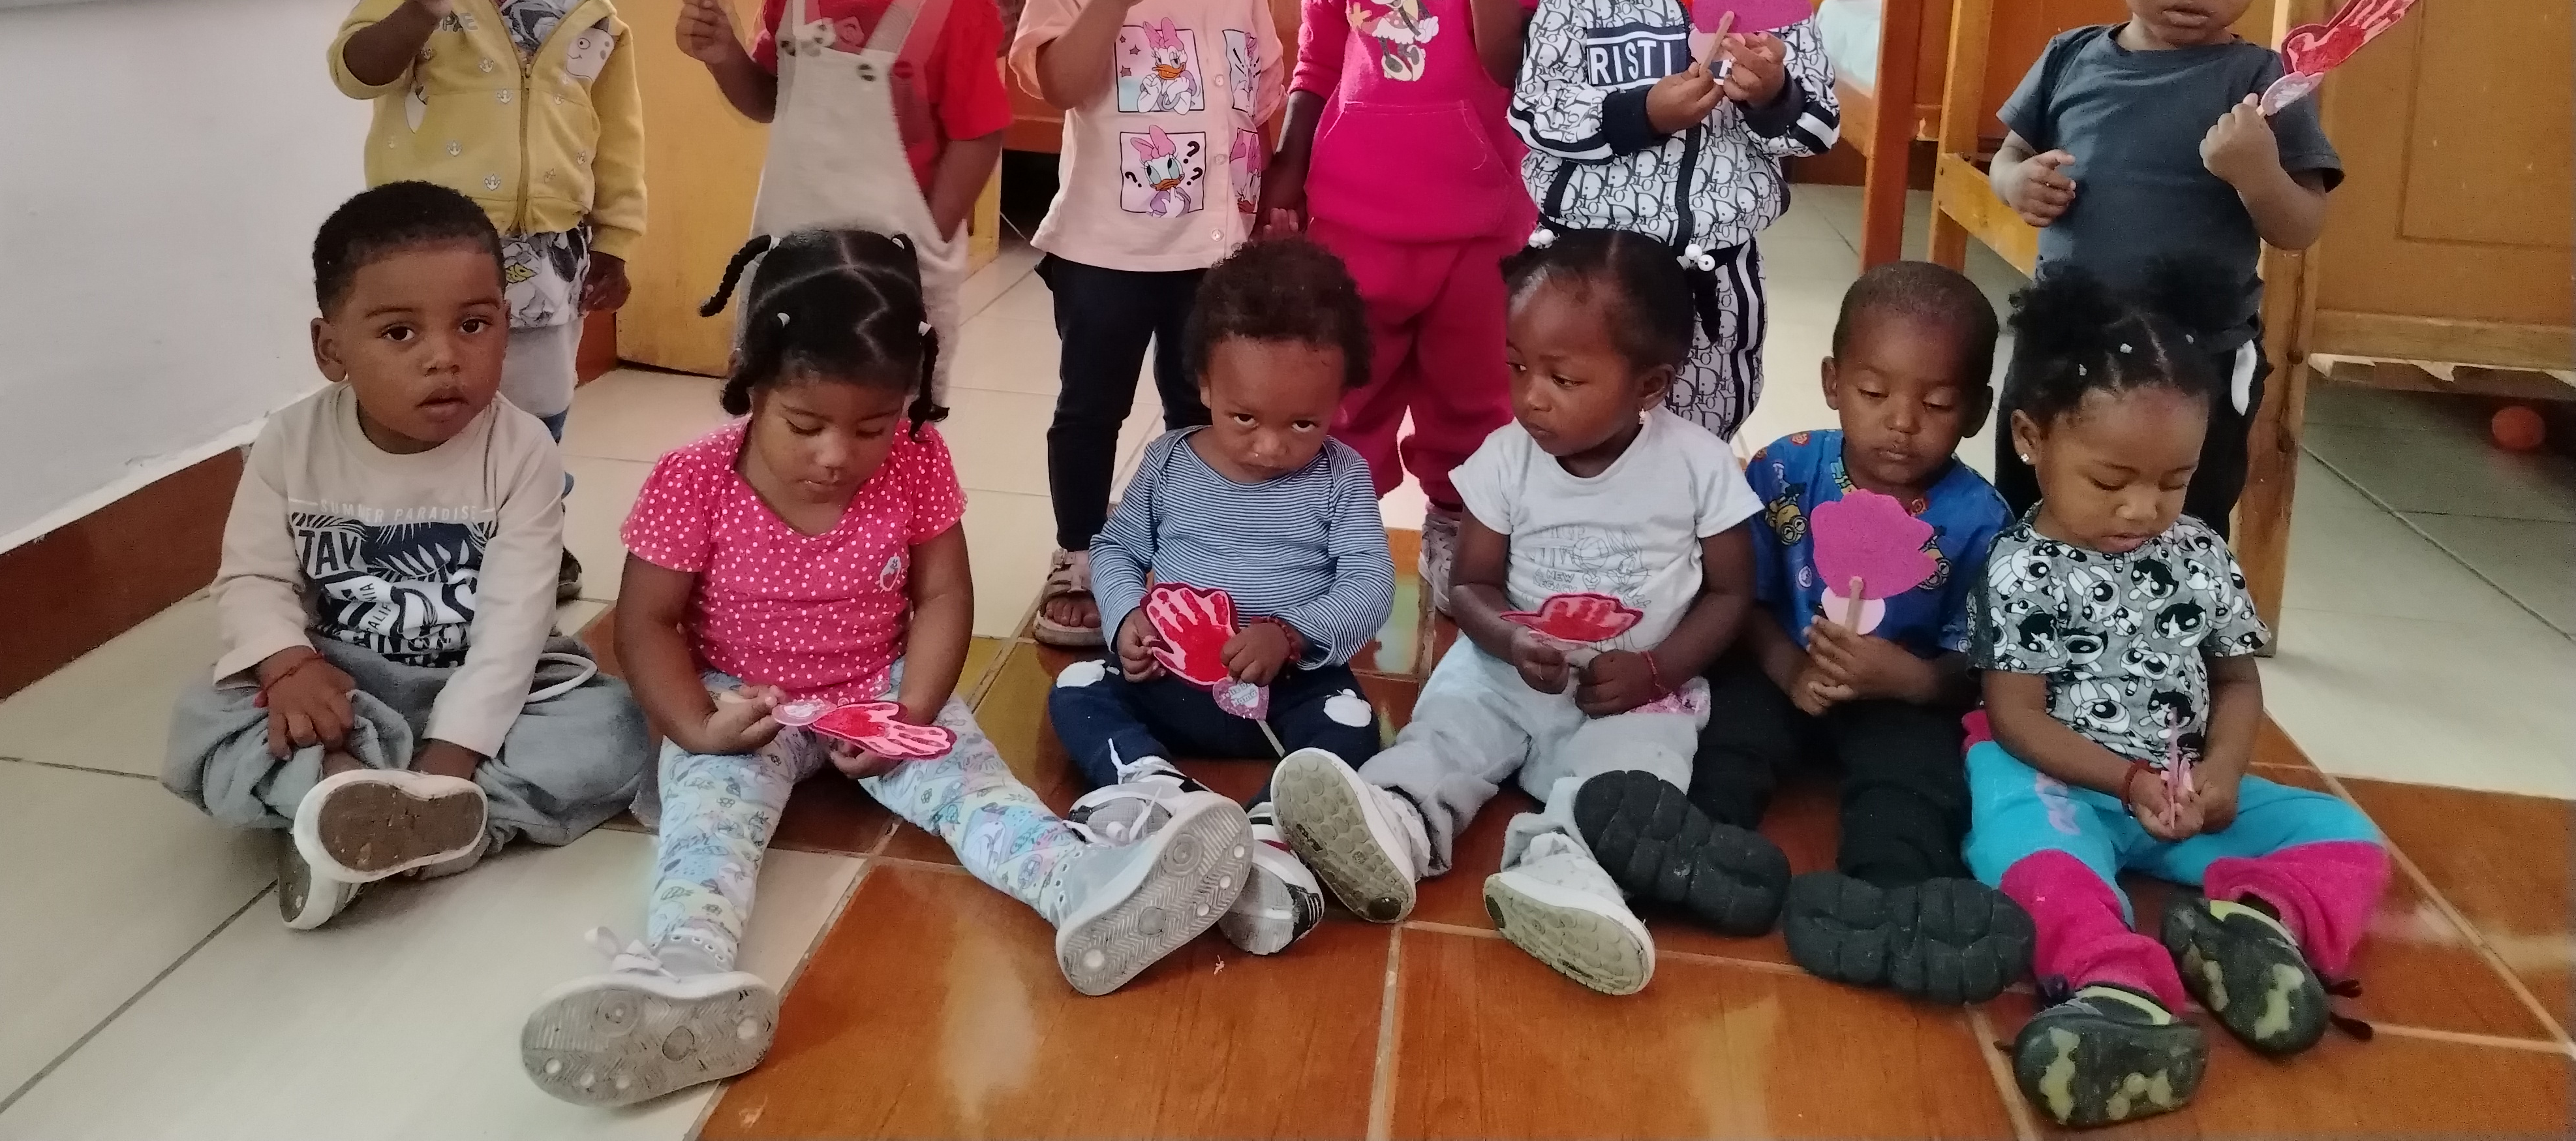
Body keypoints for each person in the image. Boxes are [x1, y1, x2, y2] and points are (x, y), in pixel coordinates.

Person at [520, 230, 1252, 1109]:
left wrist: (914, 709)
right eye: (804, 425)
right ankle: (684, 970)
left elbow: (943, 595)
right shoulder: (695, 479)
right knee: (708, 824)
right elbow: (647, 621)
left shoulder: (915, 460)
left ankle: (1084, 886)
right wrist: (697, 726)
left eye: (871, 426)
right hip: (739, 700)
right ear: (751, 381)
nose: (838, 454)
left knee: (976, 789)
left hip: (880, 684)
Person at [1268, 230, 1763, 996]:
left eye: (1562, 378)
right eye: (1518, 366)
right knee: (1447, 729)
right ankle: (1395, 820)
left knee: (1638, 774)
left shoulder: (1698, 466)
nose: (1530, 395)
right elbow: (1471, 584)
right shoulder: (1505, 458)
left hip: (1632, 693)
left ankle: (1570, 871)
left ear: (1649, 386)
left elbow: (1732, 593)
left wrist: (1656, 669)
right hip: (1507, 673)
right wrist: (1508, 638)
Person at [162, 185, 647, 931]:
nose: (444, 358)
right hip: (339, 680)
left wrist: (451, 757)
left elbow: (514, 628)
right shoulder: (290, 443)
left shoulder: (522, 451)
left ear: (506, 325)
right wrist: (287, 667)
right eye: (399, 333)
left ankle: (417, 827)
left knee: (616, 730)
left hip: (491, 678)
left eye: (474, 325)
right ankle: (343, 792)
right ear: (331, 350)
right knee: (204, 717)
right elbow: (254, 577)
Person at [1969, 268, 2387, 1127]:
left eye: (2173, 480)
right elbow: (2015, 716)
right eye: (2110, 479)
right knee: (2032, 862)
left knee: (2347, 834)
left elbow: (2235, 678)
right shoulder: (2020, 568)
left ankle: (2255, 929)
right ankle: (2115, 987)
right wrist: (2126, 782)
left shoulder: (2198, 551)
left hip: (2182, 787)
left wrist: (2222, 774)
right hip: (2059, 780)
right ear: (2030, 438)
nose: (2142, 507)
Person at [1625, 262, 2029, 1002]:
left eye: (1937, 403)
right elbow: (1738, 598)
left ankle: (1891, 903)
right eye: (1874, 394)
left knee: (1915, 777)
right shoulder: (1783, 470)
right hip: (1781, 662)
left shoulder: (1983, 521)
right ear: (1832, 383)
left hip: (1900, 695)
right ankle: (1696, 852)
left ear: (1977, 410)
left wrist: (1911, 680)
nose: (1901, 422)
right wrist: (1789, 670)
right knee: (1729, 730)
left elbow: (1984, 663)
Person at [1258, 0, 1568, 606]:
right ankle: (1335, 529)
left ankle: (1454, 524)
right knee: (1345, 390)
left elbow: (1519, 67)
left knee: (1473, 396)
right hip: (1354, 225)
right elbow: (1317, 65)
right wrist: (1289, 163)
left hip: (1480, 233)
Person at [331, 0, 644, 604]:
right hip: (431, 257)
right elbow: (358, 70)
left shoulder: (587, 7)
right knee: (432, 397)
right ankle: (426, 544)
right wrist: (417, 10)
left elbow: (617, 134)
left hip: (549, 254)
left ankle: (534, 528)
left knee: (539, 407)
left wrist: (616, 238)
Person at [1006, 0, 1286, 648]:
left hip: (1213, 251)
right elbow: (1057, 84)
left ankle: (1186, 547)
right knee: (1091, 407)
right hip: (1104, 252)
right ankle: (1082, 552)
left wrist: (1267, 207)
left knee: (1199, 409)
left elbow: (1257, 92)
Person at [1986, 0, 2339, 535]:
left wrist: (2258, 174)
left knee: (2179, 524)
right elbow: (2008, 155)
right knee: (2028, 507)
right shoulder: (2069, 57)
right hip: (2066, 338)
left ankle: (2170, 608)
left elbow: (2301, 225)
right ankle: (2024, 604)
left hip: (2193, 357)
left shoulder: (2263, 84)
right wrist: (2016, 184)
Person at [1047, 237, 1395, 956]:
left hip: (1288, 689)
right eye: (1245, 418)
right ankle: (1161, 796)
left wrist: (1291, 635)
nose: (1270, 446)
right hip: (1167, 679)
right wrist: (1125, 618)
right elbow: (1116, 550)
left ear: (1339, 402)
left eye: (1303, 424)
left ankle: (1268, 834)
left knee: (1355, 725)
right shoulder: (1168, 462)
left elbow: (1370, 584)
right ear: (1204, 384)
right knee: (1076, 690)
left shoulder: (1342, 477)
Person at [1510, 0, 1838, 440]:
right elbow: (1537, 110)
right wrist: (1641, 113)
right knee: (1580, 428)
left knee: (1699, 437)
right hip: (1589, 271)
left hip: (1715, 274)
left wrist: (1773, 95)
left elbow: (1819, 129)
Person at [677, 0, 1006, 398]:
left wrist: (930, 234)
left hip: (895, 264)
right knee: (785, 404)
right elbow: (768, 100)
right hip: (791, 249)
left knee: (884, 411)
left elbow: (980, 132)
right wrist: (723, 56)